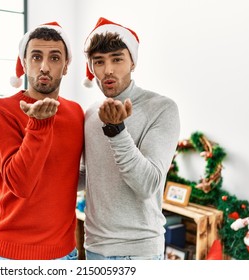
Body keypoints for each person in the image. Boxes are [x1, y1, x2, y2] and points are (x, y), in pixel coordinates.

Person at [80, 17, 180, 260]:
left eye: (117, 59)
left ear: (132, 62)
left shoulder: (162, 108)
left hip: (138, 251)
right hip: (94, 248)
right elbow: (88, 177)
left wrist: (116, 131)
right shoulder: (91, 114)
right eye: (99, 62)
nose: (109, 70)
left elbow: (148, 185)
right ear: (92, 68)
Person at [0, 22, 84, 260]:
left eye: (55, 57)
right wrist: (39, 125)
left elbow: (68, 175)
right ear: (24, 62)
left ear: (66, 66)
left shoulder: (76, 113)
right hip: (13, 255)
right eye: (36, 56)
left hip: (65, 252)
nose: (44, 66)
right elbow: (21, 184)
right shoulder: (2, 111)